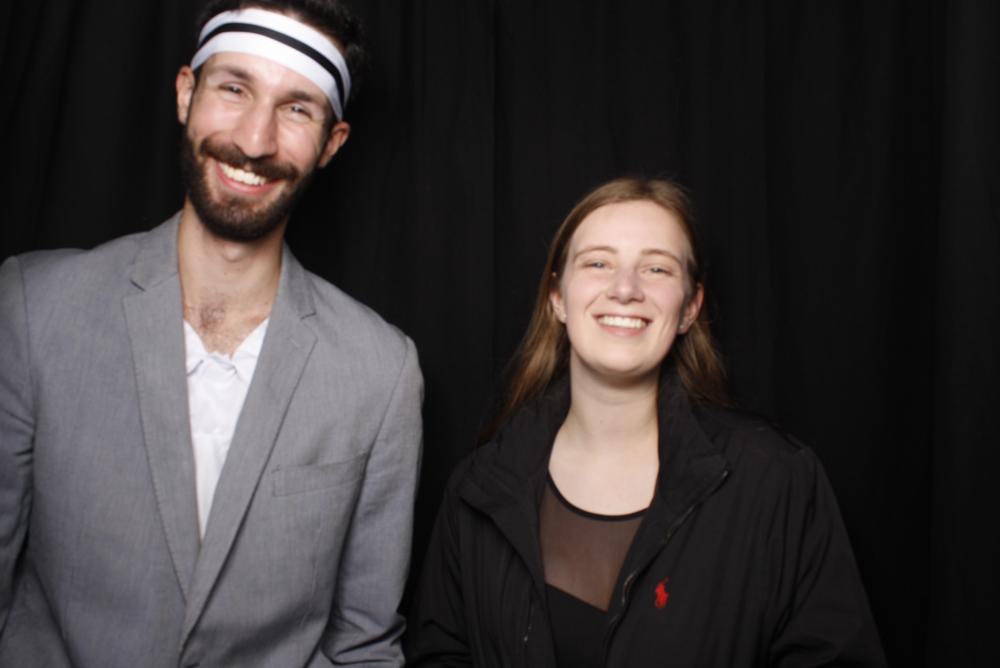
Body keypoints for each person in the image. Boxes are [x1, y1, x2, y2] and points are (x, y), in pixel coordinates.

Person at [0, 1, 422, 666]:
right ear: (185, 93)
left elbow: (364, 645)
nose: (255, 141)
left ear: (332, 143)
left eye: (296, 108)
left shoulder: (380, 371)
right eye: (234, 89)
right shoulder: (35, 308)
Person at [406, 177, 886, 667]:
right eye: (598, 263)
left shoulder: (778, 482)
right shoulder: (478, 488)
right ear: (557, 297)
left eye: (656, 268)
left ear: (690, 308)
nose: (625, 290)